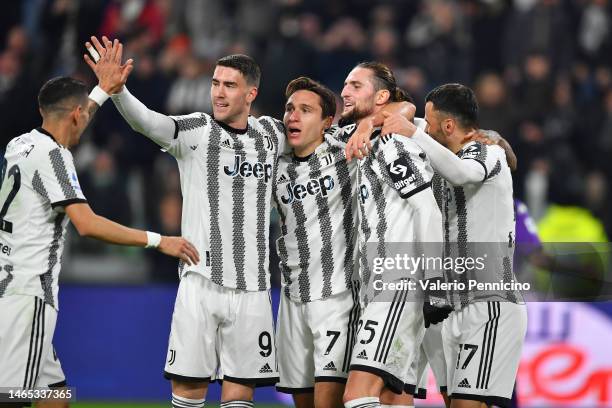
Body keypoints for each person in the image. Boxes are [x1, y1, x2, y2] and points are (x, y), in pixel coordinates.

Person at [84, 36, 286, 408]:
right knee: (188, 392)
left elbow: (315, 136)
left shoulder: (272, 135)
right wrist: (117, 92)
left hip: (254, 289)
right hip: (200, 281)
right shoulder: (196, 131)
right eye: (214, 83)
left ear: (251, 93)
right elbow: (147, 123)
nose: (219, 93)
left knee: (240, 395)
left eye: (229, 85)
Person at [0, 75, 198, 408]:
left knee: (55, 397)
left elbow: (78, 113)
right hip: (28, 295)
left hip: (10, 284)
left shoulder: (19, 145)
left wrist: (102, 91)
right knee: (11, 398)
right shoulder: (54, 158)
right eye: (84, 113)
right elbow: (87, 224)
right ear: (76, 114)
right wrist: (158, 240)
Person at [377, 83, 527, 408]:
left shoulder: (486, 150)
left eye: (430, 124)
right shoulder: (446, 148)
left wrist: (413, 133)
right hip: (452, 304)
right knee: (455, 402)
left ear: (448, 126)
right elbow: (397, 115)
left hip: (489, 302)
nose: (424, 128)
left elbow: (462, 173)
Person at [338, 62, 451, 408]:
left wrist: (435, 282)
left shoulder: (392, 145)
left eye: (356, 86)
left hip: (399, 283)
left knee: (357, 395)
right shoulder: (358, 141)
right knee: (393, 398)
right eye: (345, 84)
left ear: (381, 97)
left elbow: (428, 209)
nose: (345, 91)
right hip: (379, 285)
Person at [273, 76, 360, 408]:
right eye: (290, 109)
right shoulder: (275, 165)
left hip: (336, 297)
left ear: (327, 122)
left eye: (305, 110)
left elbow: (404, 117)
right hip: (292, 300)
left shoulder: (347, 152)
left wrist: (493, 138)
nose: (293, 116)